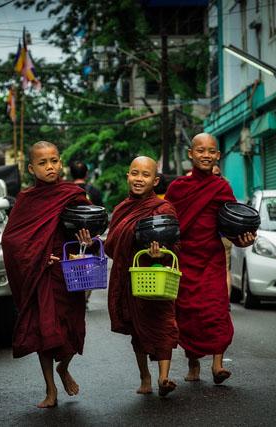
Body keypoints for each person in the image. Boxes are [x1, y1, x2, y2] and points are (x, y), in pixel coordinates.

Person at [1, 141, 92, 408]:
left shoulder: (73, 194)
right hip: (42, 274)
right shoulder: (27, 201)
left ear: (60, 163)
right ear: (32, 168)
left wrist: (83, 241)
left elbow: (89, 230)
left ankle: (64, 367)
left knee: (73, 327)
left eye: (54, 161)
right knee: (44, 330)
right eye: (43, 163)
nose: (50, 167)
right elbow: (11, 240)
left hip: (68, 272)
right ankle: (50, 389)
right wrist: (39, 258)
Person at [165, 133, 255, 385]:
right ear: (190, 154)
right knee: (188, 313)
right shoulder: (177, 188)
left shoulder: (221, 187)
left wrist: (242, 239)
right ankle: (193, 363)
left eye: (211, 151)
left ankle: (217, 365)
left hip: (211, 258)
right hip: (184, 258)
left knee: (216, 310)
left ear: (217, 156)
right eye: (200, 150)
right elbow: (169, 222)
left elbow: (232, 222)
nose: (206, 155)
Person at [105, 156, 179, 397]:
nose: (139, 179)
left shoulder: (164, 208)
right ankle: (145, 376)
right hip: (132, 276)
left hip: (159, 276)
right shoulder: (120, 210)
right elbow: (110, 245)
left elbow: (176, 244)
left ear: (155, 180)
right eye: (135, 173)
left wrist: (160, 254)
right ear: (128, 176)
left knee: (164, 323)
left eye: (145, 175)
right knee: (138, 328)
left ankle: (163, 377)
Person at [212, 163, 233, 298]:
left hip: (222, 237)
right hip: (221, 236)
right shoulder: (226, 188)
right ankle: (224, 302)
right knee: (224, 270)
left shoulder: (219, 190)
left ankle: (225, 301)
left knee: (224, 270)